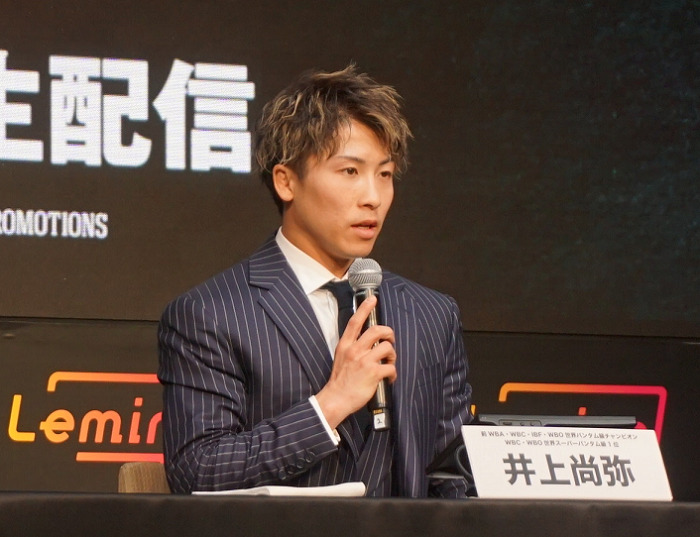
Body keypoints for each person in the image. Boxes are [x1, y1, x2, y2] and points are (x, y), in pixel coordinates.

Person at [158, 65, 472, 497]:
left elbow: (455, 476)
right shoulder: (209, 314)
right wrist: (329, 406)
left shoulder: (431, 314)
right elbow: (197, 471)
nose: (373, 197)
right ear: (286, 181)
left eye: (384, 174)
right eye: (350, 172)